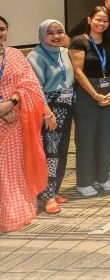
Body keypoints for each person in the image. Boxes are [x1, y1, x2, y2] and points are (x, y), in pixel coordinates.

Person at [0, 16, 49, 231]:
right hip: (6, 117)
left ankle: (13, 212)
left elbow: (29, 84)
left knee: (13, 169)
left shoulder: (15, 55)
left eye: (1, 29)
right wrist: (2, 112)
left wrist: (10, 103)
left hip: (16, 119)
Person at [69, 6, 110, 197]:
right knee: (86, 138)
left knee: (106, 138)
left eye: (105, 20)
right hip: (87, 93)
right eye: (98, 19)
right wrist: (95, 95)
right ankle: (84, 182)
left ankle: (102, 178)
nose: (102, 23)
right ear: (90, 20)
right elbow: (78, 72)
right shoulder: (79, 41)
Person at [27, 20, 74, 214]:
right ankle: (47, 197)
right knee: (50, 153)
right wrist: (47, 113)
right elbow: (36, 88)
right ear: (42, 35)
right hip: (49, 109)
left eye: (59, 32)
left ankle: (54, 190)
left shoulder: (65, 52)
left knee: (62, 151)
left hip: (67, 106)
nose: (56, 36)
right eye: (50, 33)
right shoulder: (34, 56)